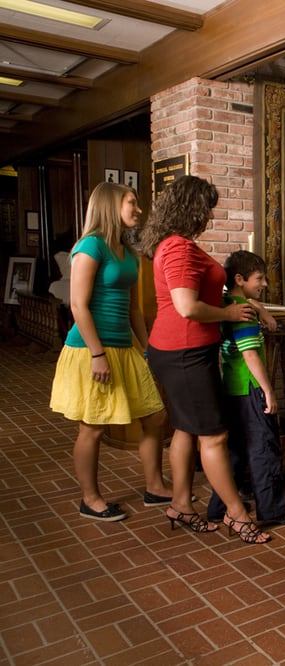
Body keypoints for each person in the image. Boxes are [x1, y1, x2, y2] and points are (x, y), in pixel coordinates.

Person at [140, 175, 271, 544]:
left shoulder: (172, 244)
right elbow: (187, 306)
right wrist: (228, 315)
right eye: (207, 209)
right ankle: (236, 514)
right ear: (192, 208)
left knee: (185, 428)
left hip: (177, 350)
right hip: (185, 353)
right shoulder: (179, 248)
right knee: (214, 436)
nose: (209, 216)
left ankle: (181, 505)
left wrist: (252, 305)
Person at [50, 182, 171, 521]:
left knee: (155, 416)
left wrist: (147, 348)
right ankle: (90, 499)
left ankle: (155, 487)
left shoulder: (127, 251)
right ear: (110, 205)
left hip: (124, 347)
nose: (139, 209)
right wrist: (97, 354)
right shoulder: (90, 246)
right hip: (92, 348)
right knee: (93, 427)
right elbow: (78, 305)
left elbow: (133, 309)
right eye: (132, 202)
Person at [205, 250, 285, 528]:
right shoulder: (244, 313)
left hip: (232, 387)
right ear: (240, 278)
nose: (264, 283)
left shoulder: (227, 303)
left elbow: (246, 301)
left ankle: (219, 507)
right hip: (251, 387)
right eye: (259, 278)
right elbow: (250, 354)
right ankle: (273, 511)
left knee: (235, 451)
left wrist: (261, 308)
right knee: (265, 450)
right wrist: (268, 391)